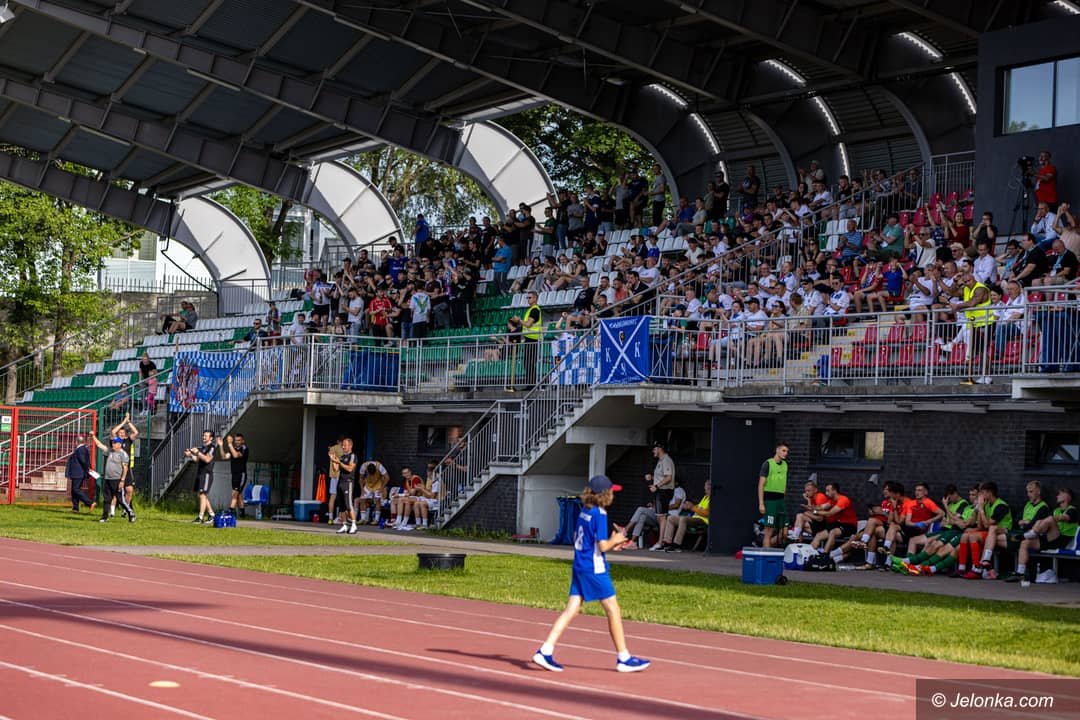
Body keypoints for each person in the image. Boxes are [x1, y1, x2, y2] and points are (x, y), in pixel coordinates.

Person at [531, 474, 650, 674]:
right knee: (613, 609)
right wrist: (616, 539)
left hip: (580, 564)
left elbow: (588, 540)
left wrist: (611, 543)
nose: (613, 495)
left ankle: (545, 650)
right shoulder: (600, 514)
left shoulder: (585, 511)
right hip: (594, 568)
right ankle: (624, 658)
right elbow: (602, 546)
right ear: (604, 495)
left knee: (572, 609)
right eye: (611, 492)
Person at [91, 434, 135, 523]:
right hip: (108, 479)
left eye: (115, 443)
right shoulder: (110, 451)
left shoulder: (123, 454)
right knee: (107, 499)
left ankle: (130, 513)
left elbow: (125, 468)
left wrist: (122, 480)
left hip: (117, 479)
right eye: (112, 443)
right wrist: (93, 436)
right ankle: (104, 517)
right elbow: (100, 445)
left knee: (121, 499)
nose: (113, 444)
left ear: (120, 444)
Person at [659, 480, 710, 552]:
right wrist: (689, 506)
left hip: (703, 521)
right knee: (671, 518)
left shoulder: (712, 499)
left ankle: (677, 545)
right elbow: (698, 507)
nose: (704, 487)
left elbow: (706, 513)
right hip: (695, 518)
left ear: (709, 487)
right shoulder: (705, 497)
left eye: (705, 486)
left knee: (683, 519)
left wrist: (692, 507)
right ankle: (667, 543)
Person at [645, 441, 676, 550]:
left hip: (664, 491)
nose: (653, 451)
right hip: (660, 490)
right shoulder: (660, 461)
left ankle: (660, 542)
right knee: (659, 516)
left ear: (659, 449)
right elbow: (662, 477)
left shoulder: (666, 460)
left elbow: (669, 477)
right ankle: (663, 541)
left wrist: (656, 486)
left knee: (662, 517)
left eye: (654, 449)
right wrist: (652, 478)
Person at [758, 442, 789, 548]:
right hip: (770, 501)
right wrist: (761, 503)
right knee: (769, 531)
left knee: (785, 531)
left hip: (781, 501)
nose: (785, 453)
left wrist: (784, 499)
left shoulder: (785, 465)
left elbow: (784, 483)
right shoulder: (768, 464)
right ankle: (766, 553)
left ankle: (769, 549)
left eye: (787, 451)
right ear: (777, 450)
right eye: (783, 450)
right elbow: (761, 485)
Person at [185, 430, 217, 524]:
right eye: (203, 435)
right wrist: (190, 455)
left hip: (207, 474)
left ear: (211, 438)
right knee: (201, 495)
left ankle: (200, 517)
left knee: (203, 494)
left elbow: (207, 459)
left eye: (206, 436)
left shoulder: (212, 448)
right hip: (200, 473)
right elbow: (197, 460)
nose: (204, 437)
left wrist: (197, 452)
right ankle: (212, 515)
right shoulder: (203, 448)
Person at [111, 415, 139, 519]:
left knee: (129, 490)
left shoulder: (128, 440)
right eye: (120, 433)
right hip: (117, 469)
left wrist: (128, 422)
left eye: (123, 433)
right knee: (116, 491)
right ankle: (112, 511)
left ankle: (125, 509)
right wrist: (123, 422)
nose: (121, 434)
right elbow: (113, 432)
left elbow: (135, 432)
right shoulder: (116, 441)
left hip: (126, 469)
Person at [218, 433, 250, 517]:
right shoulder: (233, 448)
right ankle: (242, 513)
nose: (237, 442)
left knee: (234, 494)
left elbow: (236, 455)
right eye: (236, 440)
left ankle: (230, 511)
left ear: (243, 441)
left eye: (239, 440)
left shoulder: (244, 448)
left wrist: (229, 444)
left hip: (241, 474)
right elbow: (224, 457)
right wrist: (221, 446)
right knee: (238, 494)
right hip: (234, 475)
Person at [66, 435, 96, 514]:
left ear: (76, 442)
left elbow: (83, 461)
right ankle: (75, 508)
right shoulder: (82, 449)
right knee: (74, 490)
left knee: (76, 489)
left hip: (78, 473)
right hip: (77, 472)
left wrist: (87, 469)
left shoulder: (81, 449)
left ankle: (90, 503)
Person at [335, 438, 359, 535]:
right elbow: (336, 469)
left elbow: (350, 469)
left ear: (350, 446)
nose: (343, 447)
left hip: (348, 482)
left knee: (349, 504)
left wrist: (339, 463)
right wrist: (334, 460)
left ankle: (354, 525)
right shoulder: (342, 456)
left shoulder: (353, 456)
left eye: (345, 445)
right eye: (343, 445)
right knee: (341, 506)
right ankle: (344, 525)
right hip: (340, 482)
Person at [357, 459, 389, 525]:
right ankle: (363, 519)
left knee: (377, 500)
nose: (372, 474)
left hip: (378, 484)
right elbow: (361, 478)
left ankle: (376, 520)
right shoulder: (363, 466)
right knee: (362, 499)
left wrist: (382, 488)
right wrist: (362, 489)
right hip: (368, 484)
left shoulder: (380, 466)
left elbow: (387, 478)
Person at [326, 435, 344, 525]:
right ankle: (340, 517)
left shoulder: (333, 449)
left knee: (333, 497)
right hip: (341, 475)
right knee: (342, 497)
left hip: (334, 476)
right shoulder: (344, 449)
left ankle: (330, 518)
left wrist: (331, 449)